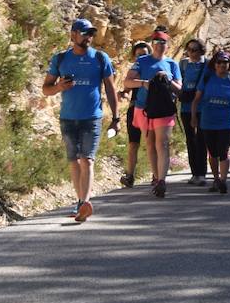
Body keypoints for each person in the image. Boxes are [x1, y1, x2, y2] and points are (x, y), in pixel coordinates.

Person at [41, 18, 118, 223]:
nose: (89, 37)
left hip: (92, 117)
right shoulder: (60, 59)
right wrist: (59, 87)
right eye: (85, 33)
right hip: (68, 118)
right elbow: (46, 88)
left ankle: (85, 202)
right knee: (74, 161)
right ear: (73, 35)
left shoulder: (100, 58)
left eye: (91, 34)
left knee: (87, 159)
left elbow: (110, 88)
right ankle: (79, 202)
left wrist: (116, 117)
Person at [124, 29, 181, 198]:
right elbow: (127, 82)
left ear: (167, 45)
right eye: (156, 42)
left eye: (163, 42)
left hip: (164, 108)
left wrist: (167, 81)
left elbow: (180, 90)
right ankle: (156, 177)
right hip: (144, 108)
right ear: (152, 44)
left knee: (162, 143)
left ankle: (162, 180)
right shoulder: (142, 62)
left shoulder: (172, 64)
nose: (160, 45)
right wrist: (144, 83)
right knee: (150, 144)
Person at [191, 51, 230, 194]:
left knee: (223, 151)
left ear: (229, 64)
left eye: (225, 62)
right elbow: (196, 100)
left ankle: (223, 181)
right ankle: (216, 179)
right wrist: (193, 117)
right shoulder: (207, 78)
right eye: (219, 62)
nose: (222, 65)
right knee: (213, 152)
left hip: (226, 120)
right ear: (214, 64)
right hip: (208, 121)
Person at [178, 38, 210, 186]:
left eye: (194, 50)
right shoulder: (183, 64)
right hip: (186, 106)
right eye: (189, 49)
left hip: (203, 107)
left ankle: (202, 173)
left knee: (202, 140)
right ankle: (194, 173)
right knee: (190, 140)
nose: (191, 53)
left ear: (201, 51)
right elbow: (179, 82)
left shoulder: (208, 64)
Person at [119, 41, 149, 188]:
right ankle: (130, 175)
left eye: (144, 54)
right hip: (134, 108)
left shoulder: (152, 69)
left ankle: (157, 175)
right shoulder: (134, 71)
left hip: (150, 109)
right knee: (133, 143)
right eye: (138, 55)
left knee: (152, 143)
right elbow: (127, 88)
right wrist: (123, 93)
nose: (141, 57)